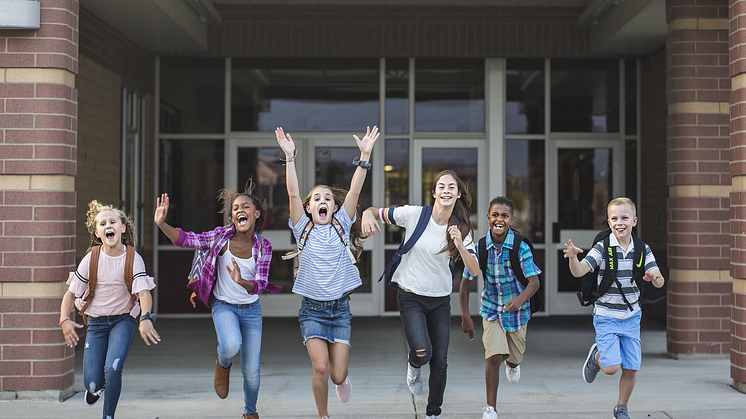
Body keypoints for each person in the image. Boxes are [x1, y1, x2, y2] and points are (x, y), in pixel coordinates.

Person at [275, 125, 379, 419]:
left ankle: (342, 379)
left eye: (327, 199)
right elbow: (293, 193)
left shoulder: (341, 224)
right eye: (316, 199)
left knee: (336, 374)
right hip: (312, 311)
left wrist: (365, 156)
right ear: (309, 208)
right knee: (320, 369)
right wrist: (290, 157)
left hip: (340, 311)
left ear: (336, 207)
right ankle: (323, 416)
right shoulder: (302, 228)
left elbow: (356, 189)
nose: (322, 201)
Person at [154, 181, 279, 419]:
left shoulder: (264, 247)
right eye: (235, 208)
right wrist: (162, 224)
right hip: (224, 306)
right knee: (231, 346)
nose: (240, 210)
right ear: (232, 216)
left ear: (256, 213)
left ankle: (250, 412)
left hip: (251, 310)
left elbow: (261, 284)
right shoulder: (220, 237)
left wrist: (242, 282)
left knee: (252, 370)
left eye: (246, 206)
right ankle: (223, 362)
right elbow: (187, 240)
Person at [361, 170, 480, 419]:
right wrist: (365, 215)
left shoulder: (463, 230)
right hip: (411, 296)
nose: (446, 191)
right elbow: (375, 212)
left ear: (458, 194)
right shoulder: (415, 214)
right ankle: (414, 365)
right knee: (422, 352)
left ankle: (433, 413)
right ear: (434, 192)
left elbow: (474, 270)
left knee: (440, 361)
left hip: (439, 300)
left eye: (452, 187)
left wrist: (459, 244)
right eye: (441, 186)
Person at [563, 197, 665, 419]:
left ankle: (621, 408)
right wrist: (573, 258)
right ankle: (597, 357)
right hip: (606, 315)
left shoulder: (642, 249)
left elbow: (660, 281)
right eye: (615, 218)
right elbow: (580, 271)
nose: (620, 222)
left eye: (625, 218)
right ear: (608, 223)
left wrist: (654, 278)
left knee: (631, 367)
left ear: (634, 221)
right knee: (611, 368)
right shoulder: (603, 247)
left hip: (631, 316)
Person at [59, 200, 161, 419]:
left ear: (122, 228)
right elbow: (70, 294)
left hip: (123, 320)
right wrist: (64, 320)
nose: (108, 226)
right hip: (96, 323)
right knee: (92, 381)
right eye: (103, 223)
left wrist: (145, 318)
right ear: (97, 232)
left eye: (112, 222)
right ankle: (96, 387)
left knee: (113, 369)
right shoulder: (90, 259)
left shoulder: (133, 258)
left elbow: (144, 293)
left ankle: (108, 416)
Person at [458, 196, 540, 419]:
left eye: (504, 215)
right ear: (488, 218)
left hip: (518, 312)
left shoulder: (520, 247)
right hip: (492, 309)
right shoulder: (480, 247)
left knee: (513, 357)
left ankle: (513, 365)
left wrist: (520, 300)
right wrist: (465, 316)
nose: (499, 219)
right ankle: (491, 408)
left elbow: (534, 282)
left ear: (512, 219)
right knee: (493, 356)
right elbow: (465, 283)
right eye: (495, 215)